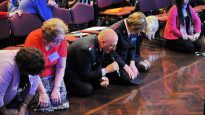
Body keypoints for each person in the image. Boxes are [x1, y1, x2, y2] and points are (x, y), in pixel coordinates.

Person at [24, 18, 69, 112]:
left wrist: (56, 89)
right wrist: (42, 92)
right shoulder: (33, 39)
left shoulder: (61, 39)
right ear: (46, 38)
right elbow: (32, 70)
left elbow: (61, 67)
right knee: (41, 102)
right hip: (36, 75)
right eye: (56, 41)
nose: (60, 43)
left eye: (61, 40)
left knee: (61, 98)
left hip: (52, 74)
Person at [64, 28, 120, 96]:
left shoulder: (99, 42)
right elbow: (85, 75)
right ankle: (66, 87)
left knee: (99, 82)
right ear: (103, 42)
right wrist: (106, 70)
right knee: (87, 89)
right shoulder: (86, 49)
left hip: (82, 67)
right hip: (70, 71)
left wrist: (103, 77)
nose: (114, 49)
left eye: (115, 45)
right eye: (111, 45)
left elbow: (97, 63)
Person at [0, 47, 45, 115]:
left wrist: (24, 105)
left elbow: (33, 88)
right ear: (24, 70)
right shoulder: (7, 67)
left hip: (10, 94)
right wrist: (5, 111)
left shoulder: (34, 62)